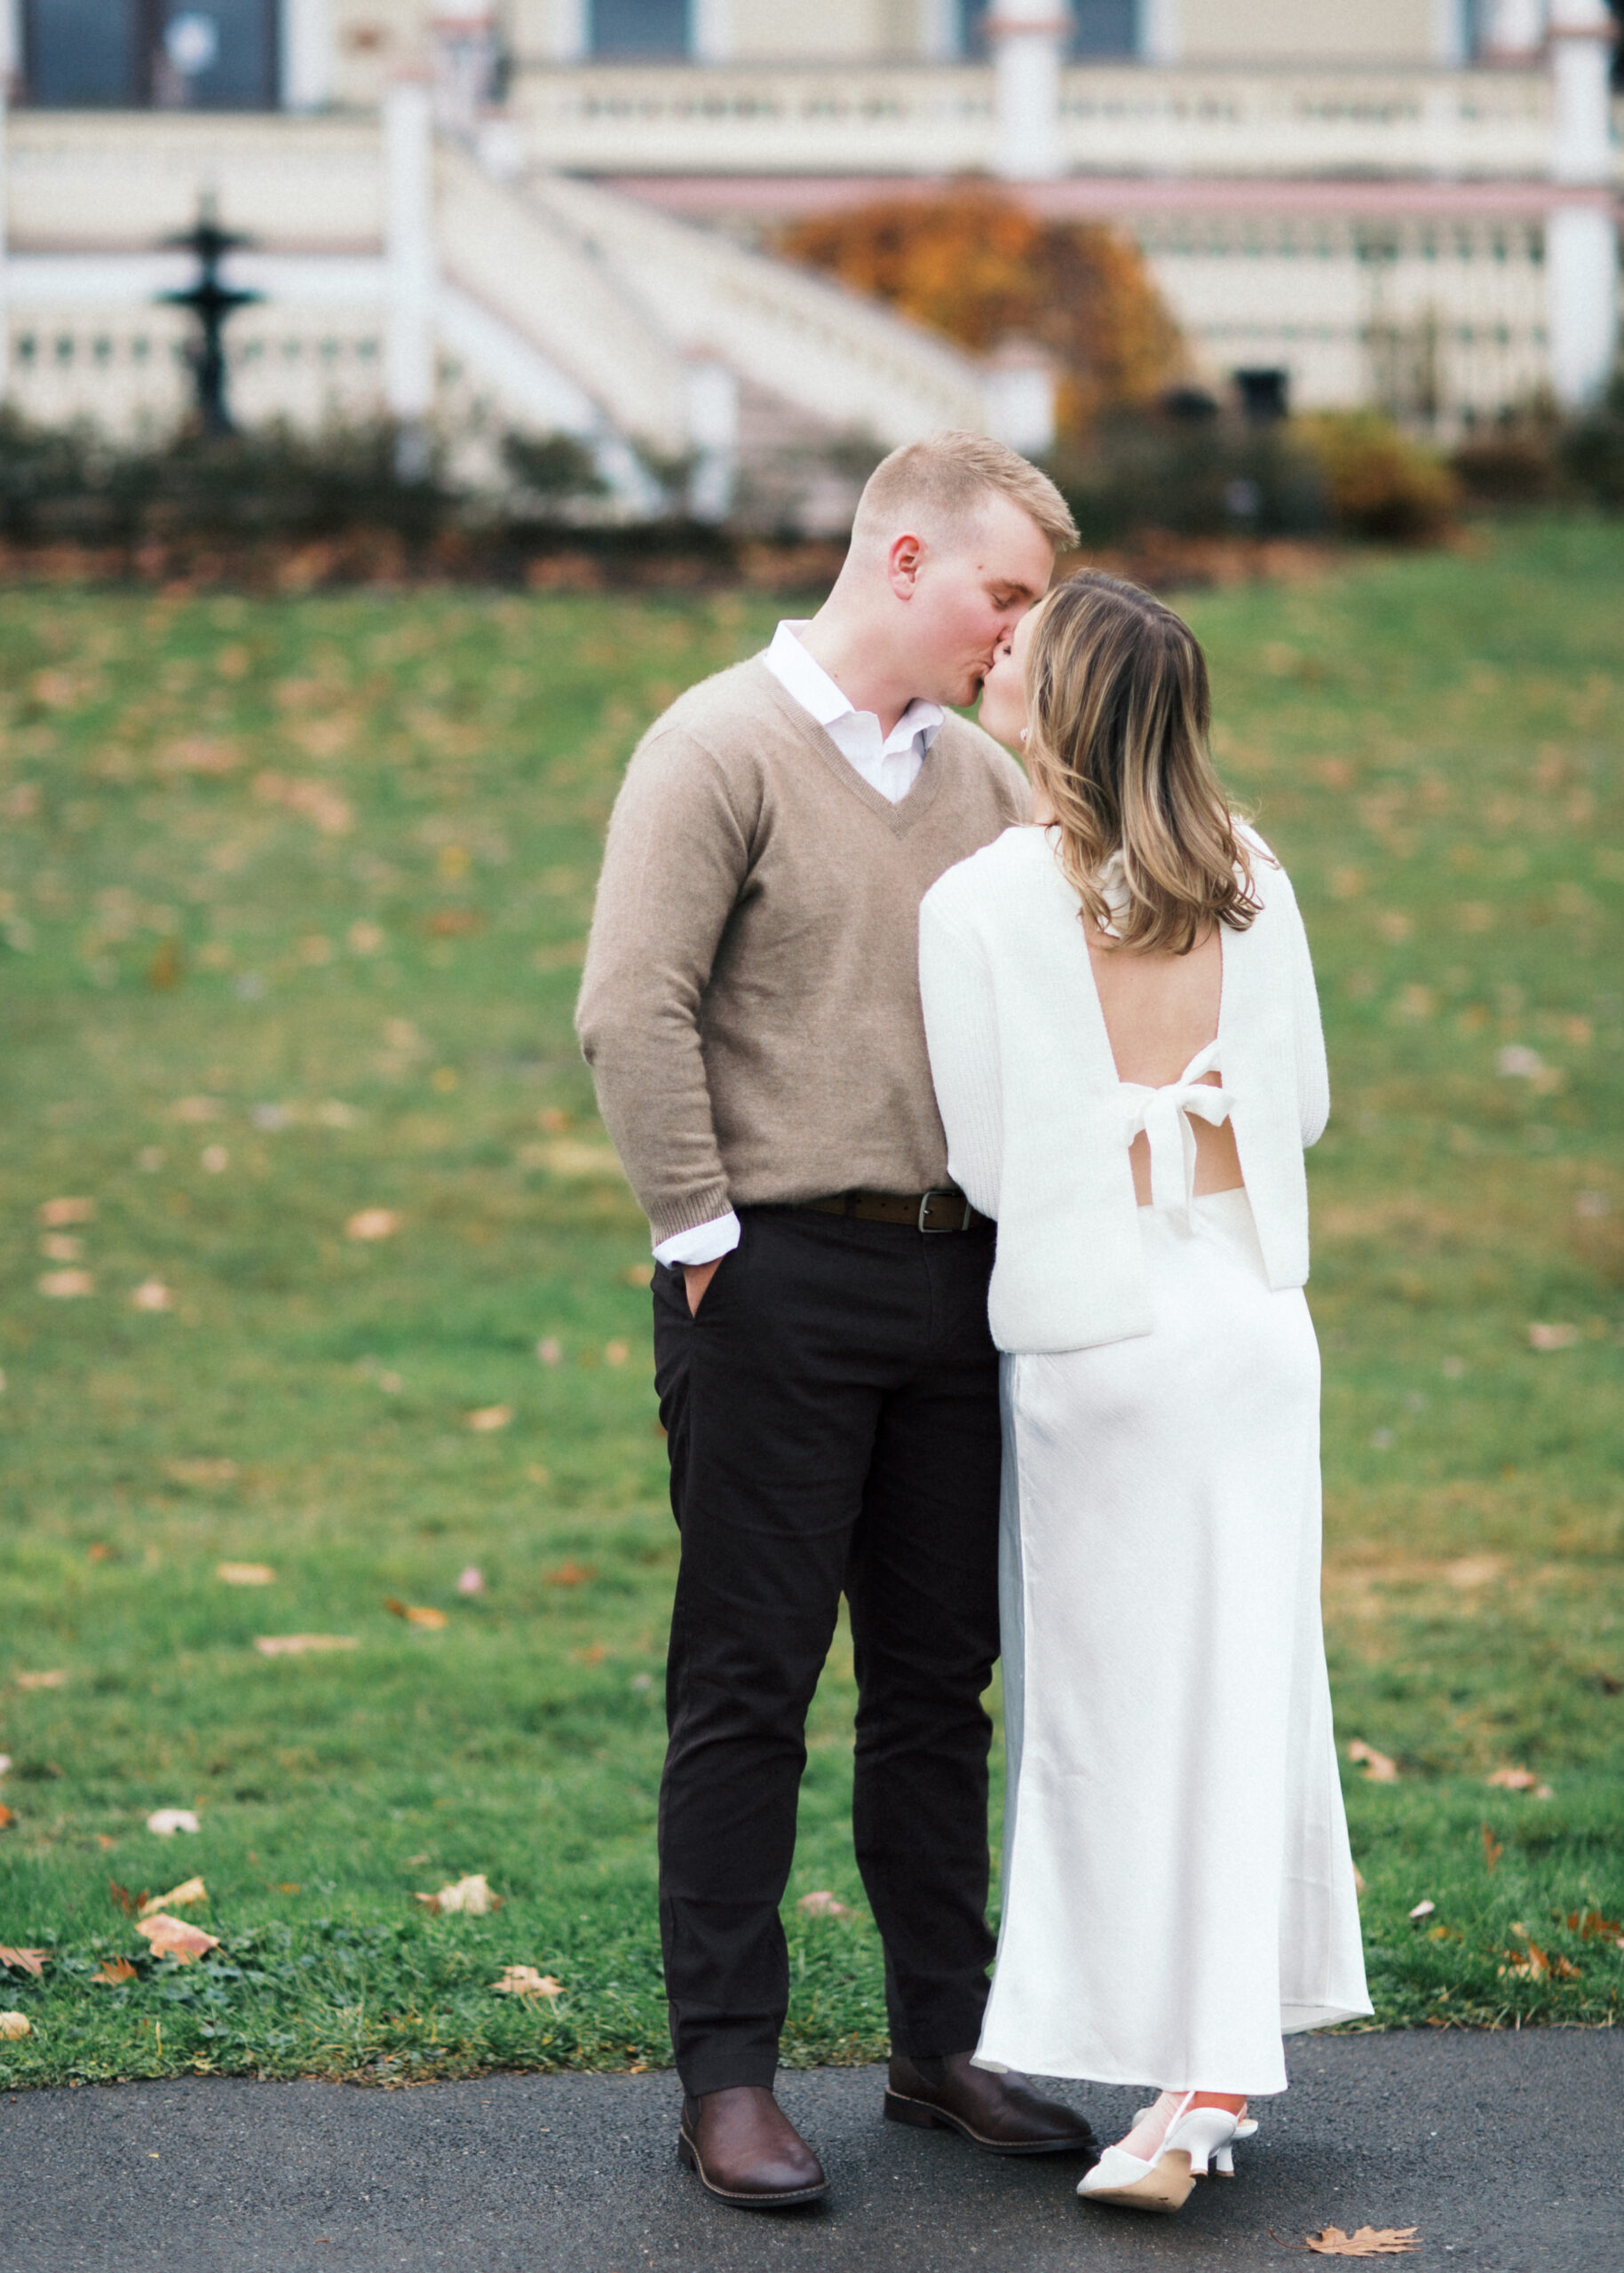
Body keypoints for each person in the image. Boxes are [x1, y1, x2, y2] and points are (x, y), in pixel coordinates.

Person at [576, 433, 1098, 2209]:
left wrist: (1038, 752)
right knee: (748, 1685)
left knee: (940, 1684)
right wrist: (701, 1230)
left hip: (964, 1284)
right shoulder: (713, 741)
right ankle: (727, 2077)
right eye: (1001, 595)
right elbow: (627, 1004)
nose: (1016, 632)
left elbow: (1101, 942)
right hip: (771, 1281)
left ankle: (942, 2040)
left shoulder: (982, 773)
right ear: (900, 559)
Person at [919, 572, 1372, 2217]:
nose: (997, 660)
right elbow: (1300, 1107)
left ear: (1068, 705)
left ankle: (1193, 2077)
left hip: (1099, 1341)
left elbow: (980, 1162)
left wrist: (1102, 1123)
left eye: (1023, 656)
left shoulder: (978, 900)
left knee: (1118, 1718)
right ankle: (1218, 2051)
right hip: (1246, 1328)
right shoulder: (1251, 874)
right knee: (1246, 1682)